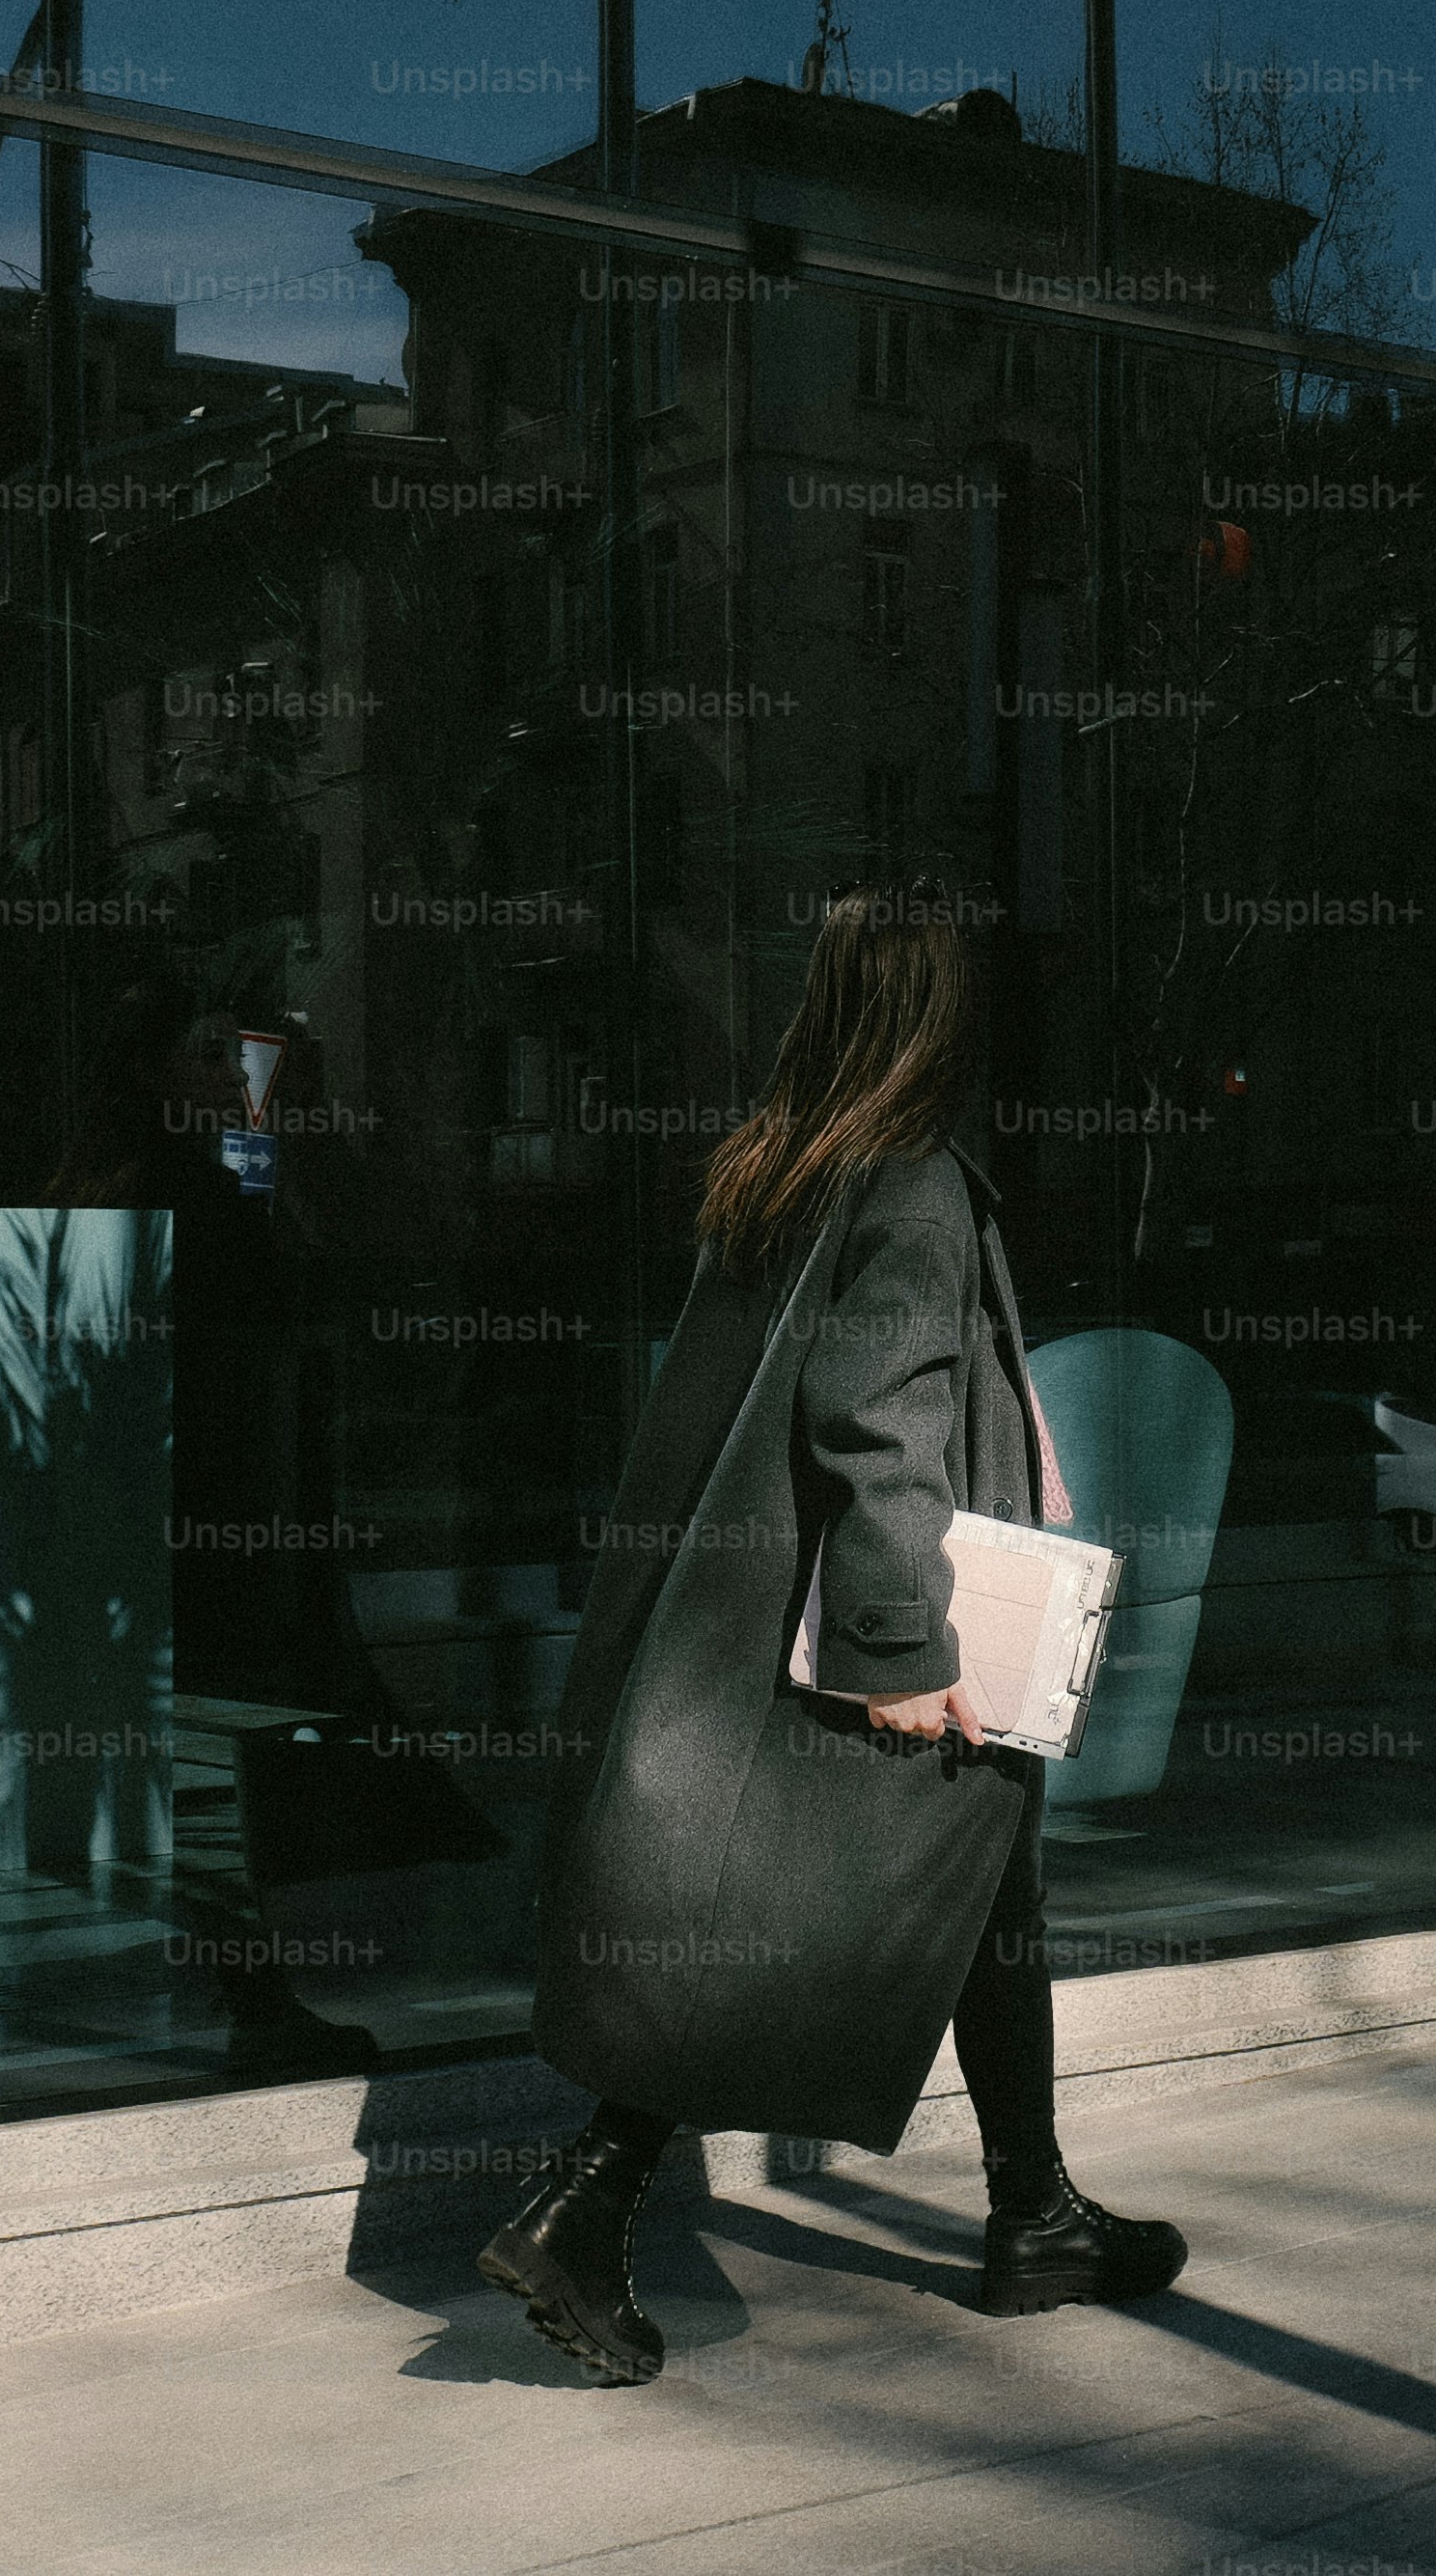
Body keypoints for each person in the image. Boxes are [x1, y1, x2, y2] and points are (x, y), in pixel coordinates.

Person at [478, 882, 1186, 2384]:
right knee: (805, 1914)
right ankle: (585, 2200)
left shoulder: (784, 1165)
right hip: (862, 1621)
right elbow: (877, 1421)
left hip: (740, 1620)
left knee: (981, 1878)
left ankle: (1035, 2209)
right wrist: (900, 1647)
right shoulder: (914, 1182)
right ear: (947, 1014)